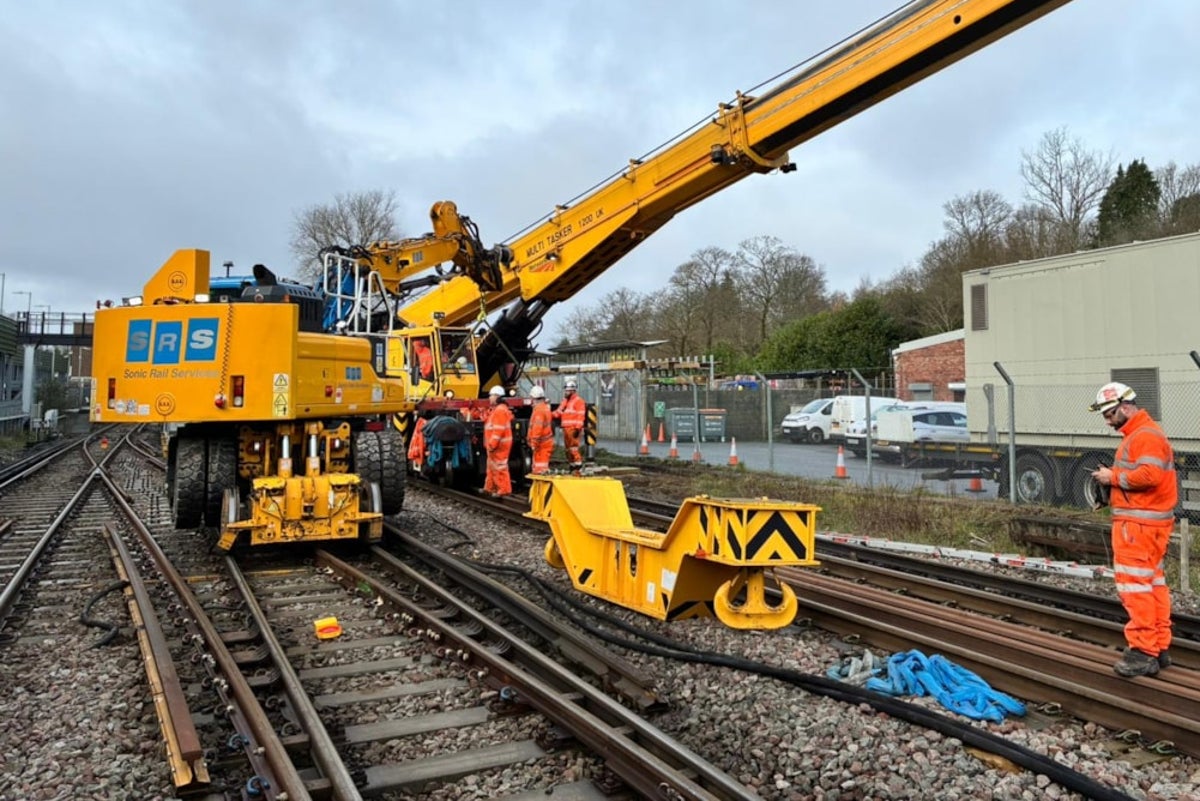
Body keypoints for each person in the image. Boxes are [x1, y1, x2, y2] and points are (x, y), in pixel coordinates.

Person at [1089, 381, 1176, 677]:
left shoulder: (1144, 436)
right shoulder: (1143, 433)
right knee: (1153, 586)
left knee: (1134, 588)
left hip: (1138, 527)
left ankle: (1142, 652)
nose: (1108, 421)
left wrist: (1112, 477)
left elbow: (1149, 475)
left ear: (1126, 407)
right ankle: (1159, 646)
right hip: (1150, 524)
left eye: (1111, 414)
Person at [483, 385, 513, 497]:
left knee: (499, 467)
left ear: (497, 397)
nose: (490, 398)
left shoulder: (500, 411)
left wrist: (492, 444)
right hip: (496, 444)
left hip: (499, 445)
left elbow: (498, 431)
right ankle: (490, 487)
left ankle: (504, 489)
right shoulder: (497, 410)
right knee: (491, 466)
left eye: (491, 395)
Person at [552, 378, 586, 472]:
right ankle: (572, 466)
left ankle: (578, 466)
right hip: (566, 429)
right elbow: (558, 412)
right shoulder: (565, 401)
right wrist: (548, 414)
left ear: (572, 391)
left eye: (567, 391)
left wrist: (578, 429)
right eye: (565, 391)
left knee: (573, 448)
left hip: (573, 429)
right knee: (568, 450)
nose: (565, 392)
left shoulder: (578, 401)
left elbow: (581, 415)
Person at [527, 385, 554, 475]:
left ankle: (541, 486)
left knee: (540, 469)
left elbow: (537, 429)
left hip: (541, 445)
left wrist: (533, 443)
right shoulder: (545, 408)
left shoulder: (539, 411)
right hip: (544, 443)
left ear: (534, 398)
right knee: (542, 467)